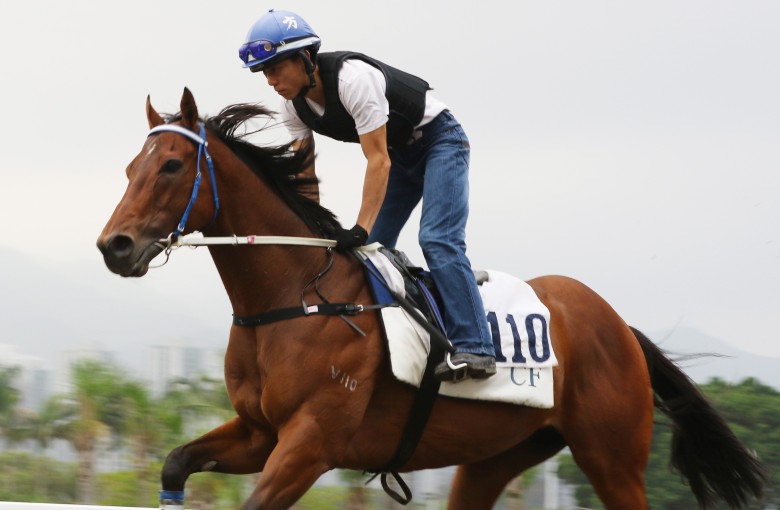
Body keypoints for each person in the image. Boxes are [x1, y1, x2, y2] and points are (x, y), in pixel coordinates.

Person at [238, 9, 496, 382]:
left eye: (276, 67)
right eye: (263, 72)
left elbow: (378, 160)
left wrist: (358, 227)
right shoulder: (292, 107)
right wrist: (313, 233)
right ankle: (418, 321)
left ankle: (477, 348)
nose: (270, 80)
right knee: (370, 254)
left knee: (437, 239)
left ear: (306, 58)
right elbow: (305, 176)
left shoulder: (353, 80)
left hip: (440, 142)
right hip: (399, 156)